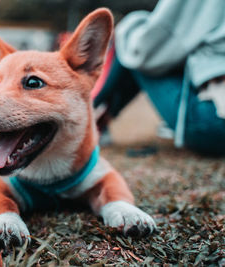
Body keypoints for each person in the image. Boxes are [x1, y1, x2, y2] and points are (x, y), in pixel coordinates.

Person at [93, 0, 225, 156]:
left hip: (215, 124)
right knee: (136, 45)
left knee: (130, 39)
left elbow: (147, 48)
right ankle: (94, 117)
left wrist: (124, 30)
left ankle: (89, 114)